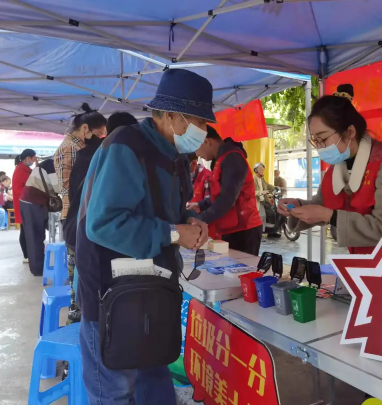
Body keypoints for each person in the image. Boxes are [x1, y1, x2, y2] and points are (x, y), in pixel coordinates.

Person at [76, 69, 211, 405]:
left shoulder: (175, 156)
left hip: (153, 287)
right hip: (112, 292)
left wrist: (189, 220)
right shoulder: (126, 146)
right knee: (116, 388)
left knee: (154, 372)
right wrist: (174, 233)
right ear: (171, 115)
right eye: (199, 121)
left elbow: (168, 211)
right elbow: (104, 224)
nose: (204, 131)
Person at [279, 89, 382, 267]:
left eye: (323, 138)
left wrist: (329, 216)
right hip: (370, 261)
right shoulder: (336, 167)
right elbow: (322, 203)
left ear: (350, 132)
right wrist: (297, 206)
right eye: (315, 141)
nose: (320, 147)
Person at [63, 111, 137, 327]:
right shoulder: (112, 156)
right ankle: (77, 340)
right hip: (89, 239)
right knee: (91, 308)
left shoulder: (88, 153)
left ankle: (77, 334)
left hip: (75, 229)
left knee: (80, 300)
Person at [190, 126, 263, 255]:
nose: (197, 154)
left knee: (242, 266)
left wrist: (200, 220)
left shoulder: (233, 158)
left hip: (244, 229)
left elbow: (227, 199)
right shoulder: (220, 159)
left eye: (196, 148)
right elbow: (219, 194)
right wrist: (200, 205)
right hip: (230, 227)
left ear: (206, 141)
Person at [54, 103, 107, 222]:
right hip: (74, 211)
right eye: (98, 134)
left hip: (81, 209)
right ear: (85, 128)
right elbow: (66, 185)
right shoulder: (70, 147)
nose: (99, 138)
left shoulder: (79, 146)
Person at [18, 159, 59, 276]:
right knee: (35, 236)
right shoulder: (52, 166)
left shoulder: (46, 164)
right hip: (33, 203)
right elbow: (58, 187)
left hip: (28, 201)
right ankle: (38, 269)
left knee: (33, 236)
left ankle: (37, 267)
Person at [12, 149, 37, 263]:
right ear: (28, 158)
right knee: (24, 230)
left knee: (27, 230)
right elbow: (18, 189)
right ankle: (26, 255)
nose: (34, 161)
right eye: (33, 158)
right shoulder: (19, 170)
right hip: (23, 204)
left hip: (28, 203)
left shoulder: (26, 169)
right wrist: (31, 192)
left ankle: (29, 254)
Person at [254, 162, 274, 230]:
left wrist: (276, 188)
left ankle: (263, 231)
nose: (263, 171)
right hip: (256, 202)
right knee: (260, 217)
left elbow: (267, 185)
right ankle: (259, 232)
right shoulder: (253, 179)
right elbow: (251, 192)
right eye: (261, 170)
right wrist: (261, 192)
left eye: (263, 170)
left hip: (262, 201)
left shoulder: (262, 179)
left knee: (267, 214)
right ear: (256, 170)